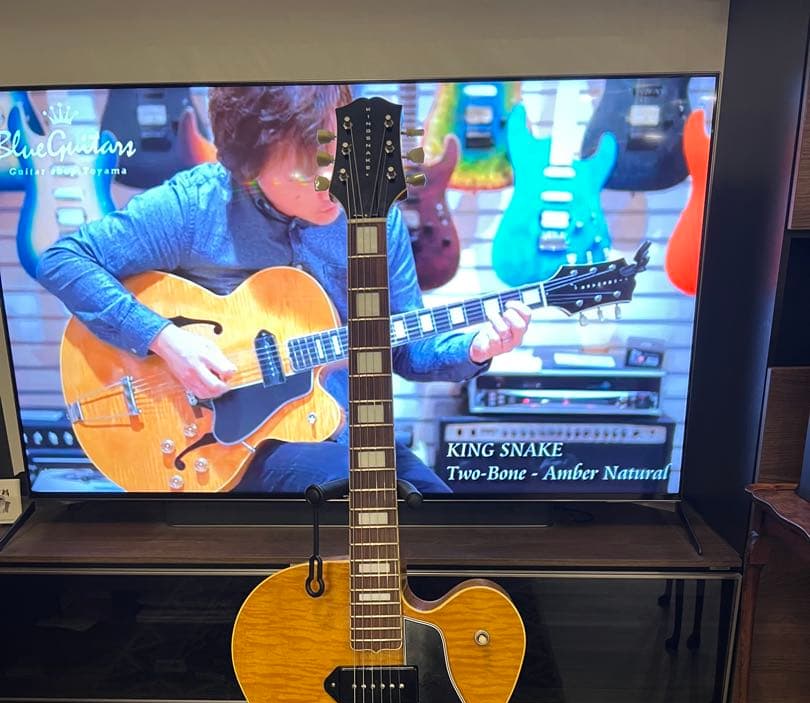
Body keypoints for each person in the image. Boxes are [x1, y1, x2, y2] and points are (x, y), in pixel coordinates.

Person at [36, 84, 531, 494]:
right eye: (308, 169)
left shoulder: (374, 215)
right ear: (249, 164)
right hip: (230, 444)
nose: (333, 182)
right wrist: (165, 339)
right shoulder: (197, 205)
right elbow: (64, 260)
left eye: (336, 155)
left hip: (347, 436)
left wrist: (475, 348)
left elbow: (404, 347)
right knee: (351, 494)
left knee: (449, 525)